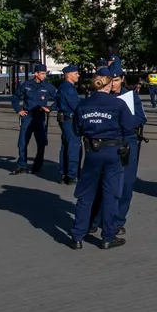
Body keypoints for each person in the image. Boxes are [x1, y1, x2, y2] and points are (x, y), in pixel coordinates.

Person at [68, 67, 137, 250]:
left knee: (85, 195)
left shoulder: (83, 104)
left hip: (92, 152)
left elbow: (76, 130)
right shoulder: (118, 104)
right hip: (113, 152)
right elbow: (129, 128)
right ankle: (108, 236)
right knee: (110, 195)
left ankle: (77, 236)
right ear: (109, 84)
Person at [108, 57, 146, 235]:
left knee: (127, 183)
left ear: (122, 78)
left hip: (127, 142)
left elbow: (140, 118)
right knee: (106, 183)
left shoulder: (131, 97)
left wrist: (123, 122)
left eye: (116, 80)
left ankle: (118, 220)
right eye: (111, 80)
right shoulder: (102, 96)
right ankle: (100, 217)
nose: (113, 84)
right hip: (107, 143)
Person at [10, 64, 55, 176]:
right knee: (22, 142)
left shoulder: (48, 86)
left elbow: (59, 98)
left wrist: (50, 108)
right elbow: (15, 97)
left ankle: (38, 165)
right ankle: (21, 165)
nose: (44, 75)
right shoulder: (26, 85)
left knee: (41, 142)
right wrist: (18, 110)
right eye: (42, 73)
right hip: (27, 116)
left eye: (45, 73)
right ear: (36, 73)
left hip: (39, 117)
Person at [55, 65, 82, 185]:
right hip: (70, 120)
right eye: (76, 73)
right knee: (73, 147)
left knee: (66, 146)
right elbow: (75, 106)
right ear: (69, 75)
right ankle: (72, 175)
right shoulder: (69, 88)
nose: (78, 75)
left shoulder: (63, 87)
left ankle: (63, 173)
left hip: (65, 120)